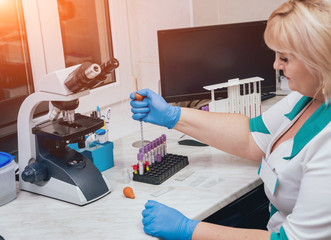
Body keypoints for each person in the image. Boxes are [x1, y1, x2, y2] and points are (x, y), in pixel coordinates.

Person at [130, 0, 331, 239]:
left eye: (285, 58)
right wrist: (173, 116)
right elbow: (250, 137)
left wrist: (189, 229)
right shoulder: (309, 97)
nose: (276, 65)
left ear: (319, 60)